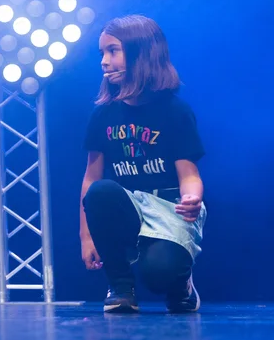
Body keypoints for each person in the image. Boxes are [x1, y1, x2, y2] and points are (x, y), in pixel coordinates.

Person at [79, 15, 205, 313]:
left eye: (113, 51)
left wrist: (193, 198)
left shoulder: (175, 111)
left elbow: (189, 174)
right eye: (102, 53)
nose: (104, 62)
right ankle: (121, 288)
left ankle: (180, 285)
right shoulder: (103, 114)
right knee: (101, 191)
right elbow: (90, 179)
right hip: (128, 208)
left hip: (168, 208)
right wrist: (86, 236)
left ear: (141, 54)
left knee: (158, 274)